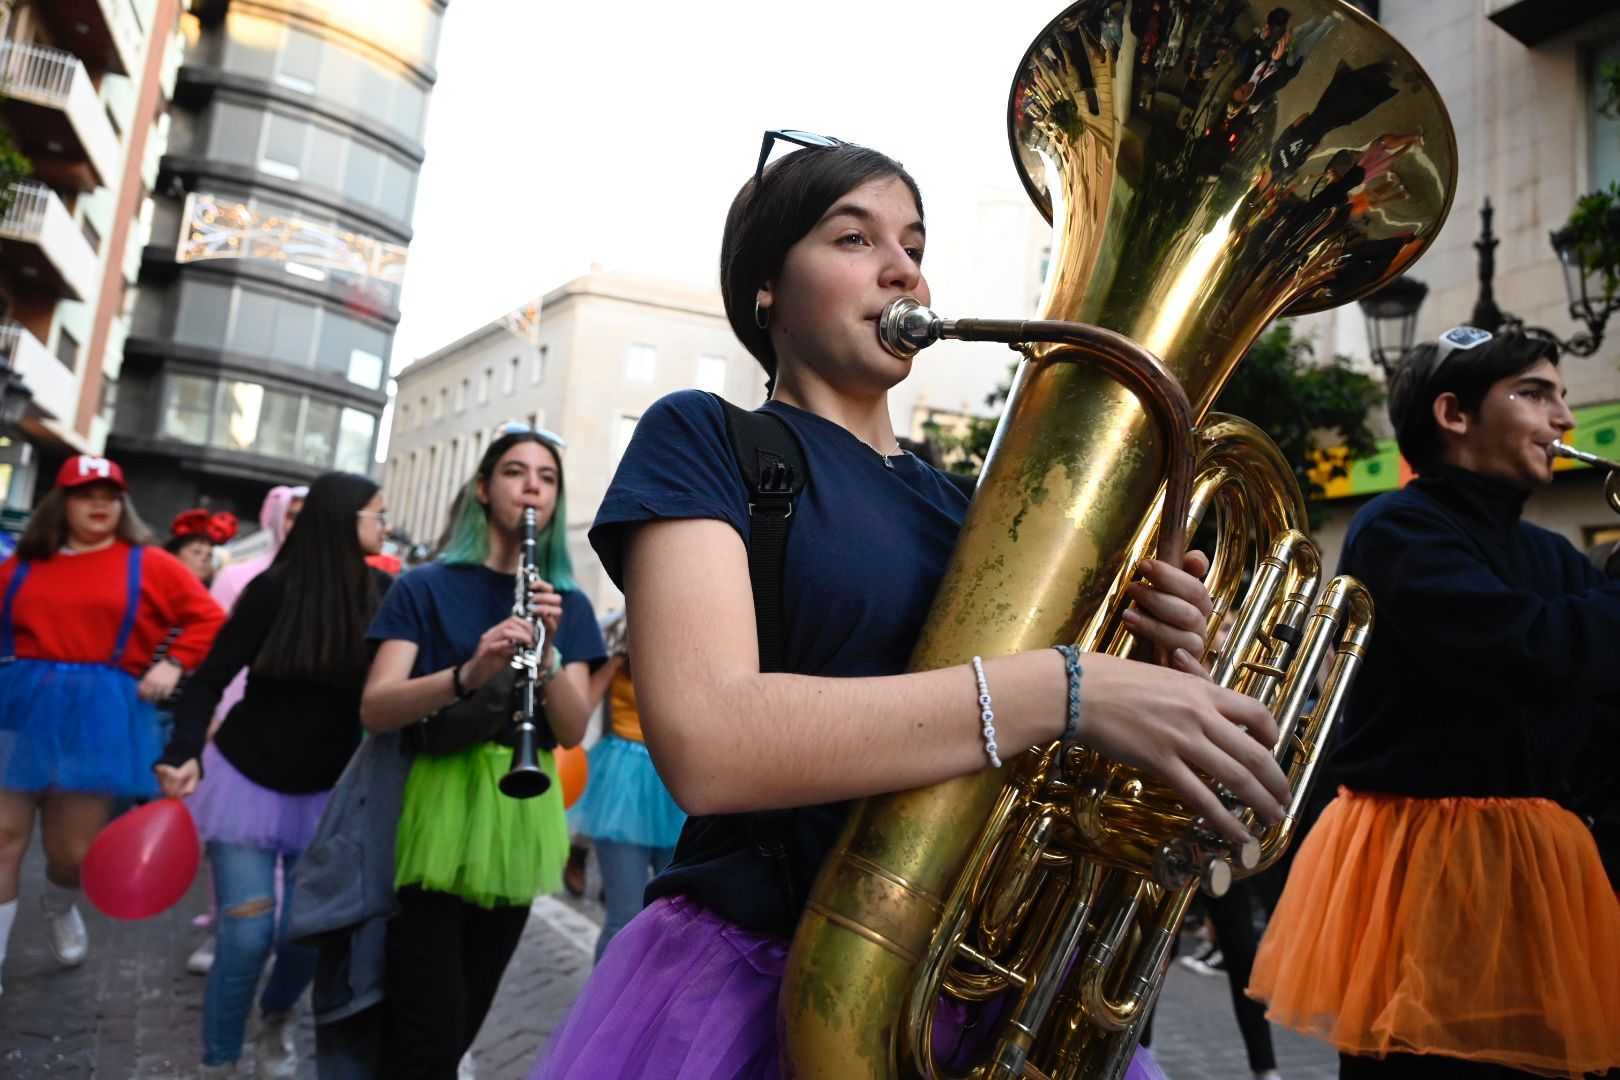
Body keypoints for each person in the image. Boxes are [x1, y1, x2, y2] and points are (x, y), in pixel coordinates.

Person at [533, 134, 1288, 1079]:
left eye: (916, 248)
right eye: (854, 239)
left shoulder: (975, 513)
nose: (903, 272)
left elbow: (1053, 776)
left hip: (983, 1000)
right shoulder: (707, 435)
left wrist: (1165, 675)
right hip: (765, 980)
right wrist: (1068, 687)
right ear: (764, 287)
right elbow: (709, 744)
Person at [1250, 328, 1620, 1078]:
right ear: (1454, 415)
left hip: (1537, 869)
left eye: (1563, 396)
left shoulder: (1551, 554)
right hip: (1428, 866)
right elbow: (1529, 651)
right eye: (1534, 394)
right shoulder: (1398, 526)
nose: (1565, 420)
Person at [351, 426, 606, 1079]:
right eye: (516, 472)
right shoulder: (425, 586)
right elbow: (377, 706)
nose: (531, 487)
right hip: (438, 799)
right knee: (424, 1023)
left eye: (546, 478)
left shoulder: (565, 600)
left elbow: (573, 729)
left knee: (465, 1012)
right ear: (484, 489)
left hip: (522, 811)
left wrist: (547, 657)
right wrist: (471, 671)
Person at [154, 472, 392, 1078]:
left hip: (327, 792)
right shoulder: (271, 590)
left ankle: (277, 1017)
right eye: (376, 514)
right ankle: (219, 1060)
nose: (384, 525)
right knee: (246, 936)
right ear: (345, 519)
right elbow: (207, 680)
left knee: (302, 938)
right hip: (246, 782)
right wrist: (184, 750)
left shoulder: (383, 594)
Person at [0, 455, 224, 991]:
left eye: (109, 494)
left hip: (101, 714)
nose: (98, 504)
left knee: (71, 853)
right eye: (84, 494)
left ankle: (58, 903)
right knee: (4, 837)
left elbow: (209, 618)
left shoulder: (148, 563)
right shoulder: (25, 562)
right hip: (20, 706)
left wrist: (174, 662)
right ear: (62, 502)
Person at [185, 484, 304, 979]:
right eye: (292, 516)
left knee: (286, 843)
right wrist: (212, 718)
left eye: (308, 516)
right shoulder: (239, 578)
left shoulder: (335, 585)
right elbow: (219, 657)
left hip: (297, 733)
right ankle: (225, 927)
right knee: (234, 835)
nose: (299, 525)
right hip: (236, 727)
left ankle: (270, 941)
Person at [565, 611, 685, 960]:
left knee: (675, 917)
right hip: (623, 784)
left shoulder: (686, 659)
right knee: (623, 915)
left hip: (672, 785)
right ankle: (601, 1010)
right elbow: (580, 709)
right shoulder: (619, 659)